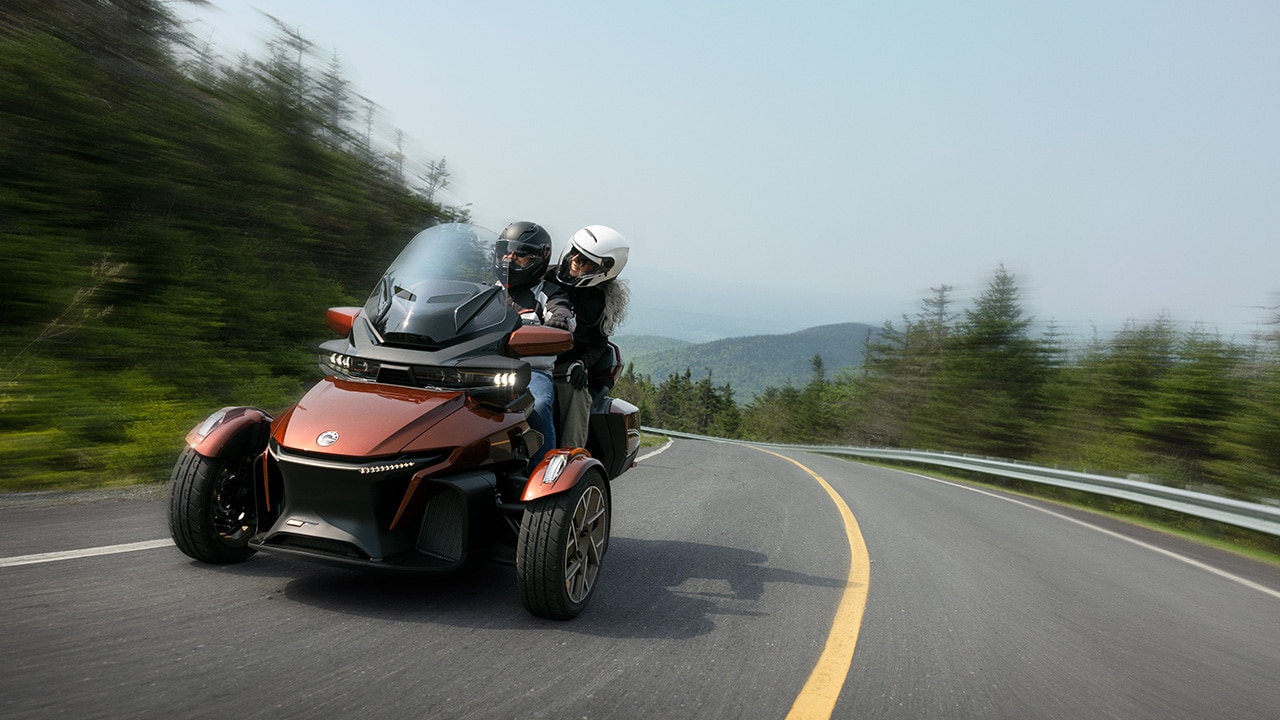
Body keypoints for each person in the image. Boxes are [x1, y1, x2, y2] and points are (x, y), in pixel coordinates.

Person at [494, 221, 575, 470]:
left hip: (531, 373)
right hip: (484, 369)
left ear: (539, 258)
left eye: (520, 254)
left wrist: (558, 321)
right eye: (505, 252)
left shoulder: (549, 294)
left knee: (538, 405)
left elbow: (565, 317)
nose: (510, 258)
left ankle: (544, 476)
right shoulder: (488, 292)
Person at [550, 225, 631, 449]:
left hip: (562, 367)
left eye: (586, 260)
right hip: (523, 358)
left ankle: (568, 459)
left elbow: (599, 344)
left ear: (603, 269)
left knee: (576, 395)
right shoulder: (544, 276)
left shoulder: (601, 301)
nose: (576, 259)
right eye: (575, 252)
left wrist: (580, 363)